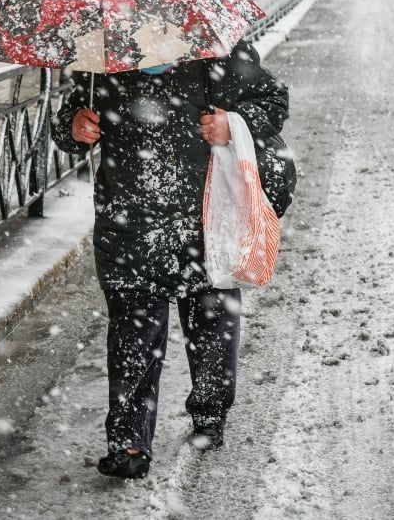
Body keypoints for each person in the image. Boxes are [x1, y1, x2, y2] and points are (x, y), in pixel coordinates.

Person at [51, 40, 289, 480]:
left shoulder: (217, 54)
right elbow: (70, 117)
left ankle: (210, 413)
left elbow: (273, 100)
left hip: (206, 218)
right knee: (131, 335)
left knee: (212, 324)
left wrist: (233, 124)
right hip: (128, 221)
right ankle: (128, 442)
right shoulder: (101, 56)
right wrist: (74, 126)